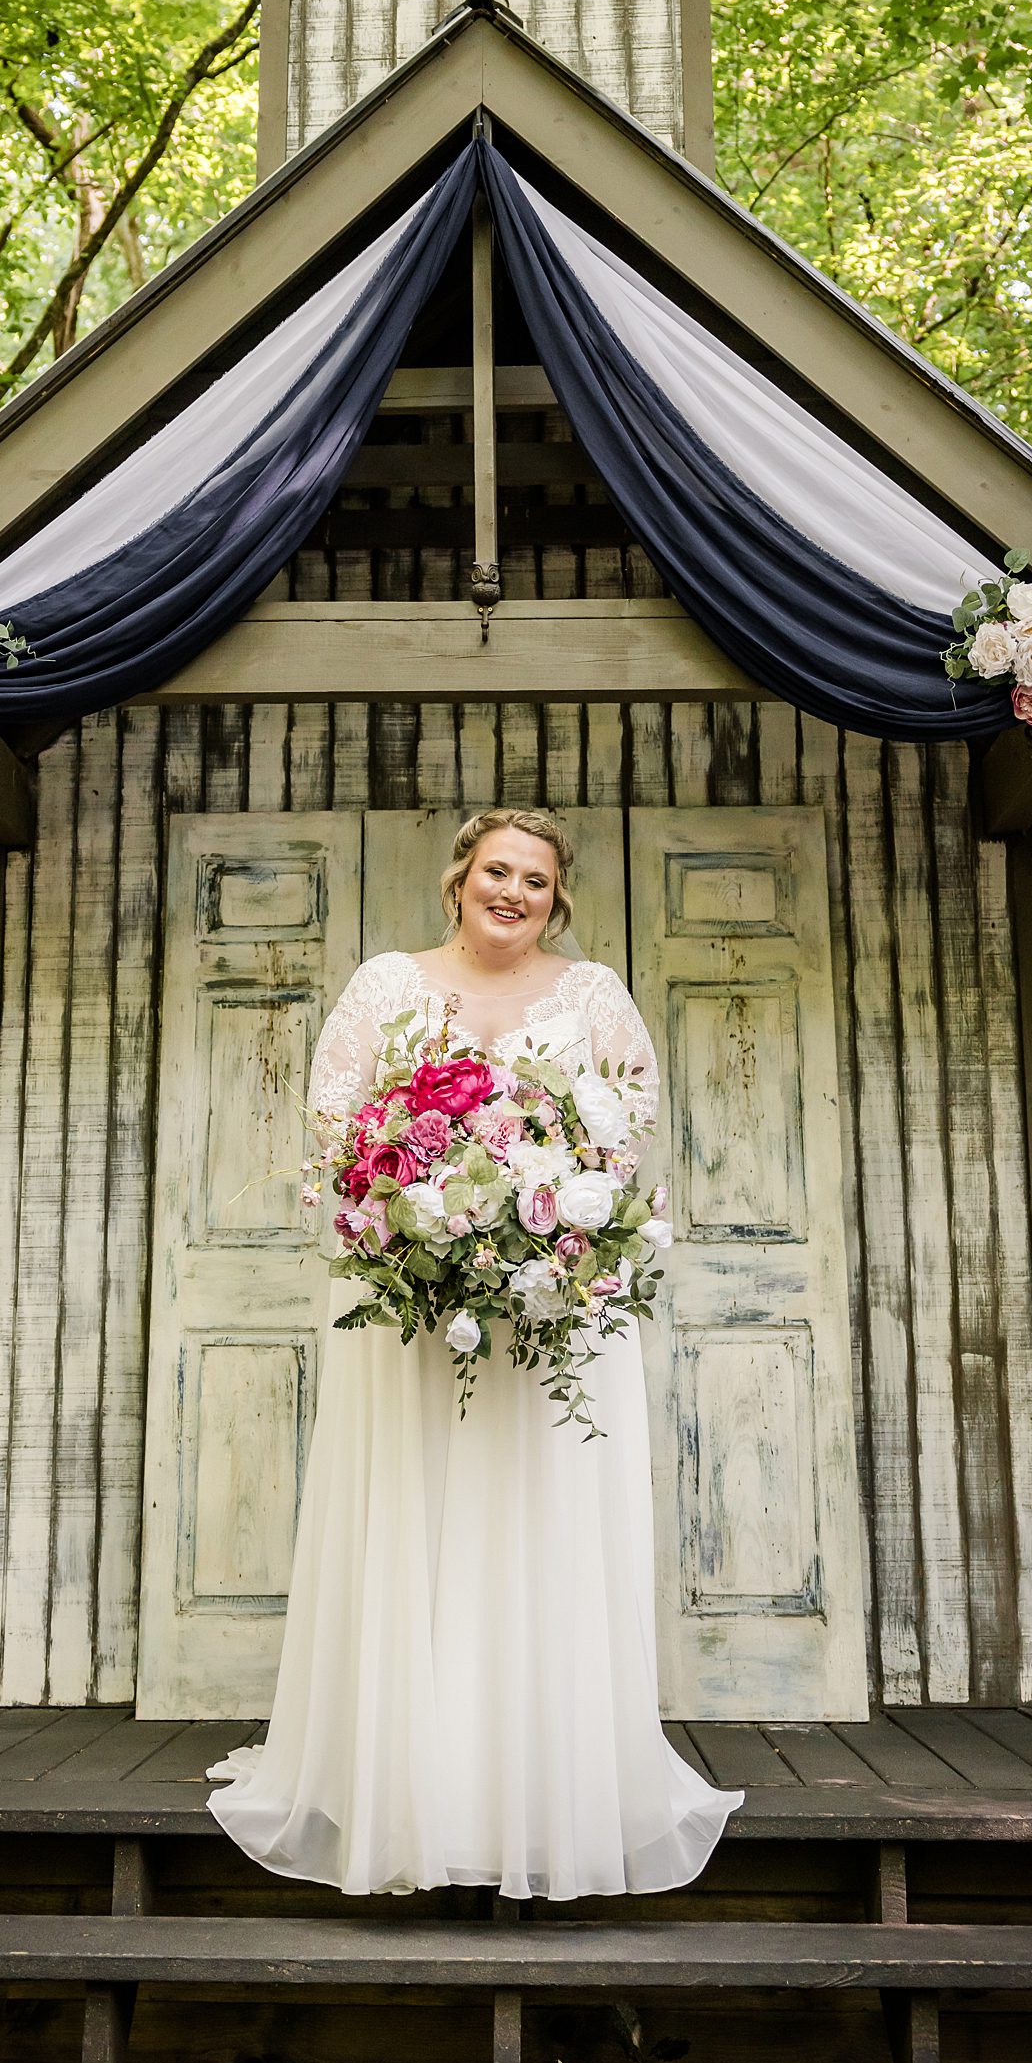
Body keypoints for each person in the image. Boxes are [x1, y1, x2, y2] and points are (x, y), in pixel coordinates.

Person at [206, 808, 742, 1898]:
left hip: (553, 1311)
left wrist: (544, 1230)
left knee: (538, 1521)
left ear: (557, 898)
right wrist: (416, 1216)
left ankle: (540, 1786)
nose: (513, 891)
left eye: (535, 880)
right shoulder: (386, 984)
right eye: (496, 870)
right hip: (411, 1317)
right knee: (418, 1520)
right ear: (458, 880)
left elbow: (627, 1137)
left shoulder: (593, 997)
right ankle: (411, 1784)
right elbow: (334, 1129)